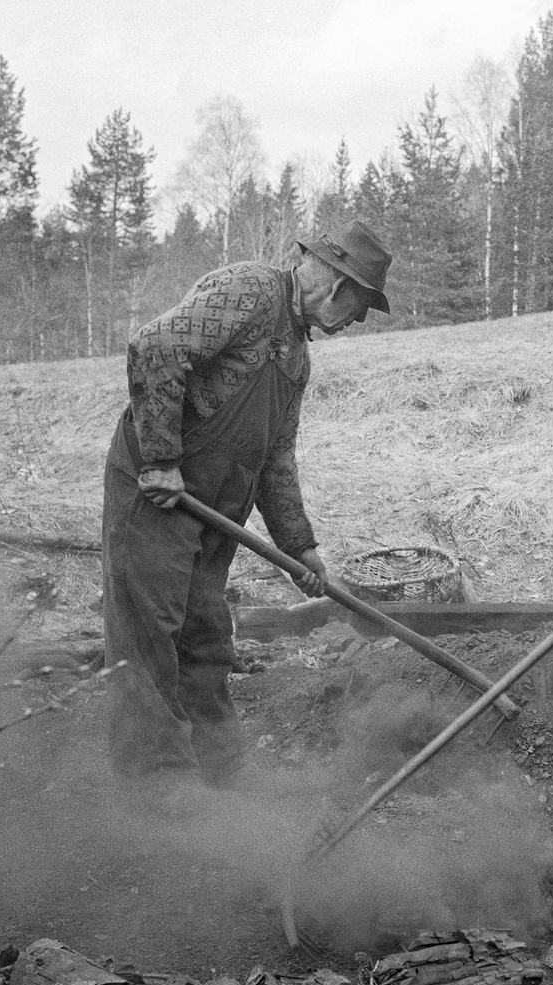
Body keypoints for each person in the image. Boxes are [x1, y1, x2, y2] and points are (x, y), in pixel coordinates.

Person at [102, 220, 392, 802]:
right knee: (150, 630)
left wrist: (299, 548)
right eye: (362, 303)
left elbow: (276, 457)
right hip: (159, 490)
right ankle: (156, 783)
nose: (359, 319)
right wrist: (160, 457)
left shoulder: (297, 359)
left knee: (206, 631)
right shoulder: (251, 292)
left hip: (214, 507)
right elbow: (156, 346)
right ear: (338, 284)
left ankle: (219, 769)